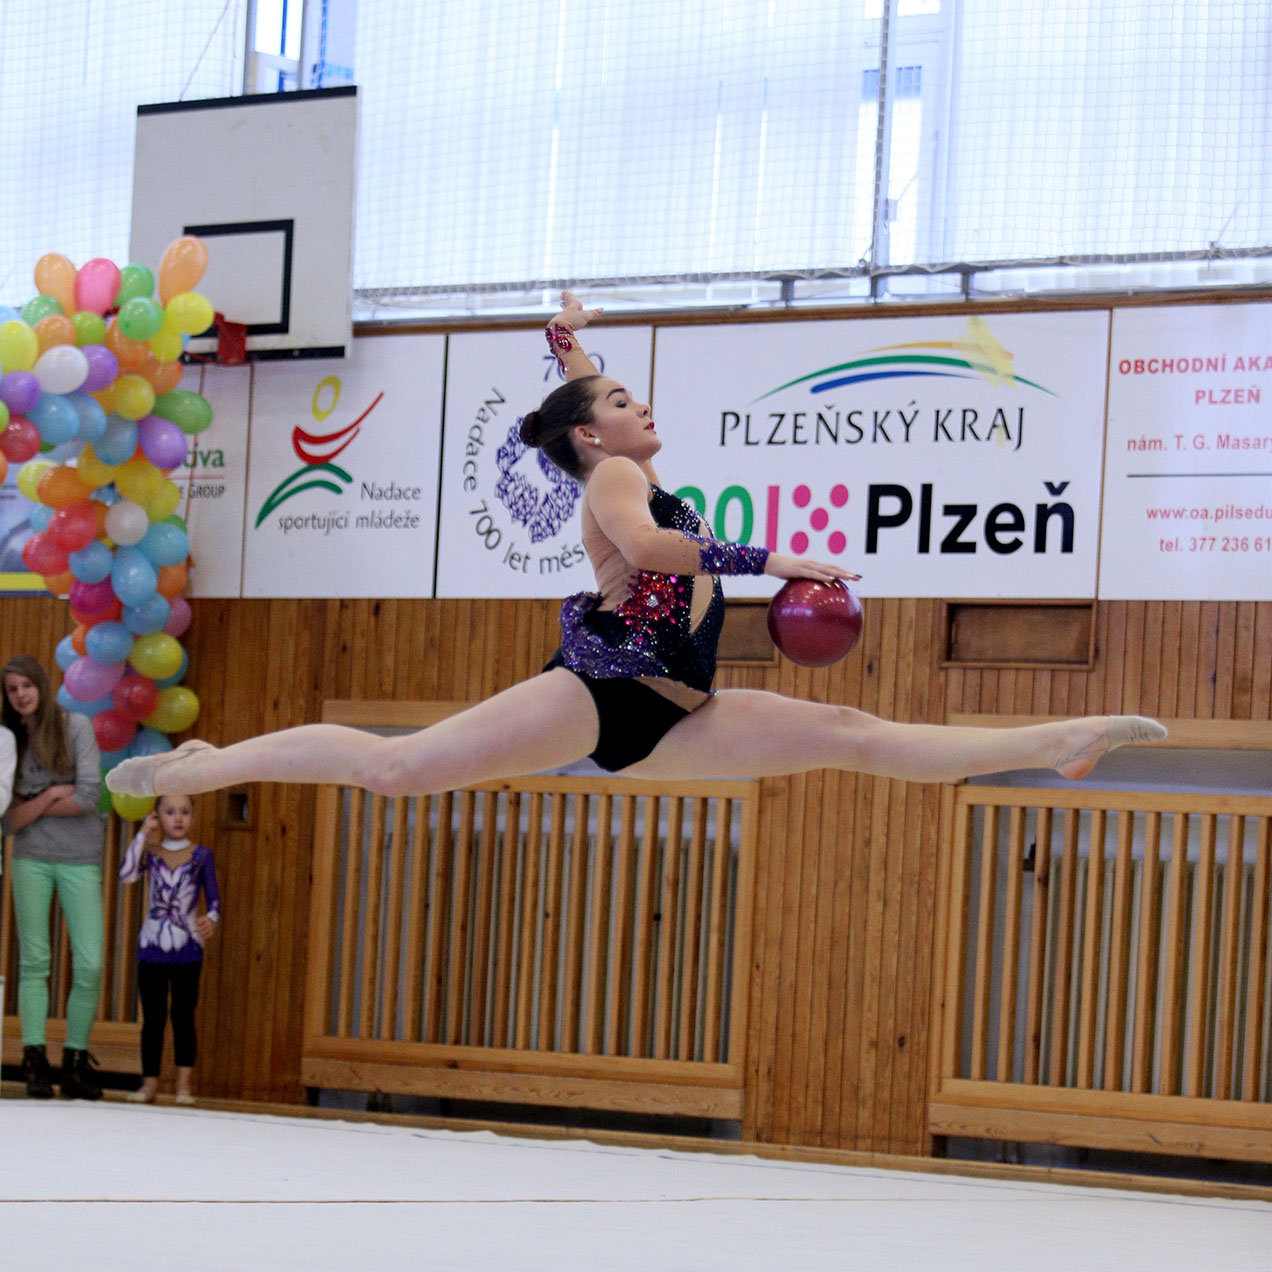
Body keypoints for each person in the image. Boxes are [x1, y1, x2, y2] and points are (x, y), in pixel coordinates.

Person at [107, 293, 1166, 803]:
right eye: (620, 401)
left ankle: (1057, 740)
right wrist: (777, 562)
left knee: (854, 732)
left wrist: (572, 348)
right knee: (395, 769)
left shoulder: (622, 460)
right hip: (599, 689)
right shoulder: (617, 482)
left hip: (679, 708)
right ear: (589, 438)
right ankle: (209, 766)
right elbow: (656, 551)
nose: (638, 404)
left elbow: (591, 413)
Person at [3, 654, 105, 1100]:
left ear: (42, 685)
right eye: (12, 689)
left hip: (81, 857)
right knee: (34, 962)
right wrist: (48, 796)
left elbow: (87, 796)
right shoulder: (9, 740)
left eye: (27, 685)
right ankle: (34, 1059)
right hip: (31, 858)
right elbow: (9, 821)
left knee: (90, 963)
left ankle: (75, 1061)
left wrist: (33, 805)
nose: (21, 695)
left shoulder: (75, 726)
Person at [119, 793, 220, 1105]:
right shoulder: (151, 854)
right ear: (157, 816)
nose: (178, 818)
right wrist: (142, 833)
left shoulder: (201, 856)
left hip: (187, 947)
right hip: (151, 947)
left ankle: (183, 1086)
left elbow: (214, 898)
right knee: (153, 1018)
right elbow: (126, 874)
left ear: (193, 817)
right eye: (170, 812)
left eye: (185, 812)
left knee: (183, 1016)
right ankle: (149, 1085)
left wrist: (211, 920)